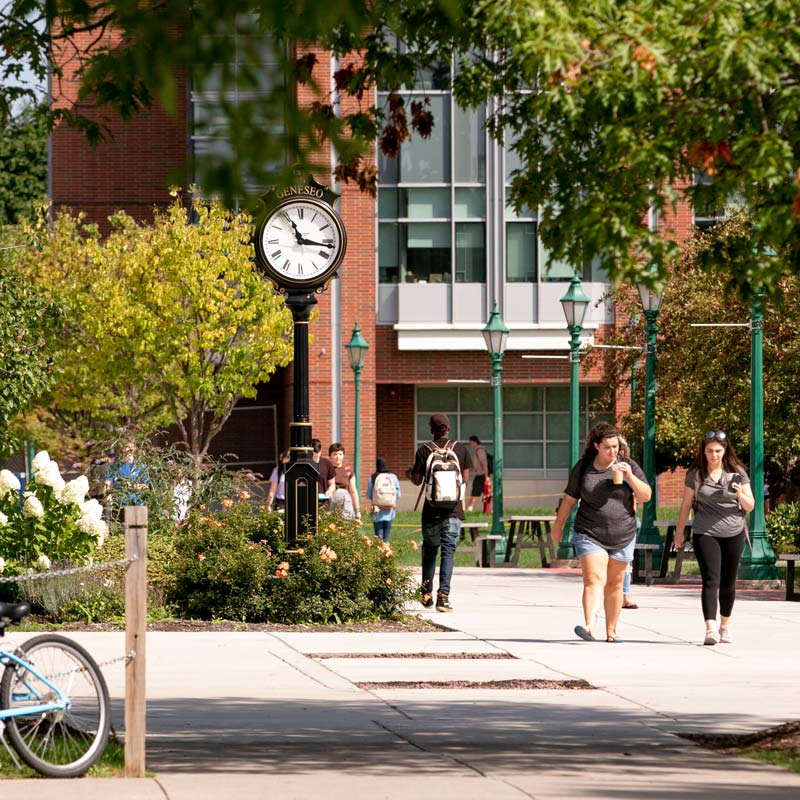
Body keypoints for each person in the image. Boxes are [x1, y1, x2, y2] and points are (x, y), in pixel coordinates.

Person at [551, 422, 651, 643]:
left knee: (615, 584)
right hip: (589, 532)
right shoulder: (584, 467)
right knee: (594, 579)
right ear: (596, 445)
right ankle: (589, 626)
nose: (613, 451)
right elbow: (569, 499)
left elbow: (646, 496)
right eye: (607, 447)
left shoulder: (628, 465)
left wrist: (630, 478)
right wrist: (558, 527)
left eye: (616, 447)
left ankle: (611, 631)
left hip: (623, 533)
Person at [675, 430, 754, 645]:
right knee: (711, 579)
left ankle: (724, 627)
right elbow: (686, 504)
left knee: (728, 582)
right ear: (704, 451)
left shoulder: (737, 472)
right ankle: (710, 629)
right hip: (705, 531)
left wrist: (739, 494)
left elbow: (750, 505)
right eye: (710, 451)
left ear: (725, 450)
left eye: (718, 451)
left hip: (734, 531)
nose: (714, 455)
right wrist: (679, 532)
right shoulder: (696, 473)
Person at [409, 413, 471, 612]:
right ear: (449, 428)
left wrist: (410, 474)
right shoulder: (460, 449)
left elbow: (417, 480)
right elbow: (465, 479)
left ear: (431, 429)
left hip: (431, 511)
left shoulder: (424, 450)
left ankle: (426, 594)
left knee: (430, 551)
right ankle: (443, 597)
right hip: (454, 510)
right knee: (448, 551)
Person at [618, 435, 639, 610]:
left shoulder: (630, 469)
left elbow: (639, 496)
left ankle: (625, 595)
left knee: (626, 562)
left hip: (627, 521)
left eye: (623, 452)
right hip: (603, 523)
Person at [366, 457, 401, 542]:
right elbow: (398, 495)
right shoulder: (393, 477)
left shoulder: (373, 478)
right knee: (387, 536)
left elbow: (369, 495)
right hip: (390, 511)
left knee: (378, 536)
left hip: (377, 512)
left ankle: (379, 553)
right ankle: (387, 552)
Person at [328, 443, 361, 520]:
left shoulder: (348, 471)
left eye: (340, 454)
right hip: (331, 503)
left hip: (346, 503)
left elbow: (353, 491)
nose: (338, 457)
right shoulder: (326, 470)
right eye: (335, 454)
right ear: (330, 456)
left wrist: (357, 511)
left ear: (343, 455)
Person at [467, 436, 489, 512]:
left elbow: (484, 464)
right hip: (480, 474)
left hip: (481, 475)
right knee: (485, 493)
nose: (470, 445)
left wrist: (486, 477)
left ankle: (470, 509)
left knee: (475, 492)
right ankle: (487, 510)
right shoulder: (477, 450)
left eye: (471, 443)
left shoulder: (479, 450)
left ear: (475, 442)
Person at [312, 438, 336, 506]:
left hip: (323, 502)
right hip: (308, 501)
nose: (316, 457)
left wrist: (330, 491)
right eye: (314, 454)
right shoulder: (304, 464)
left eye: (318, 453)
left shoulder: (327, 464)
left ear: (321, 450)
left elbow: (332, 484)